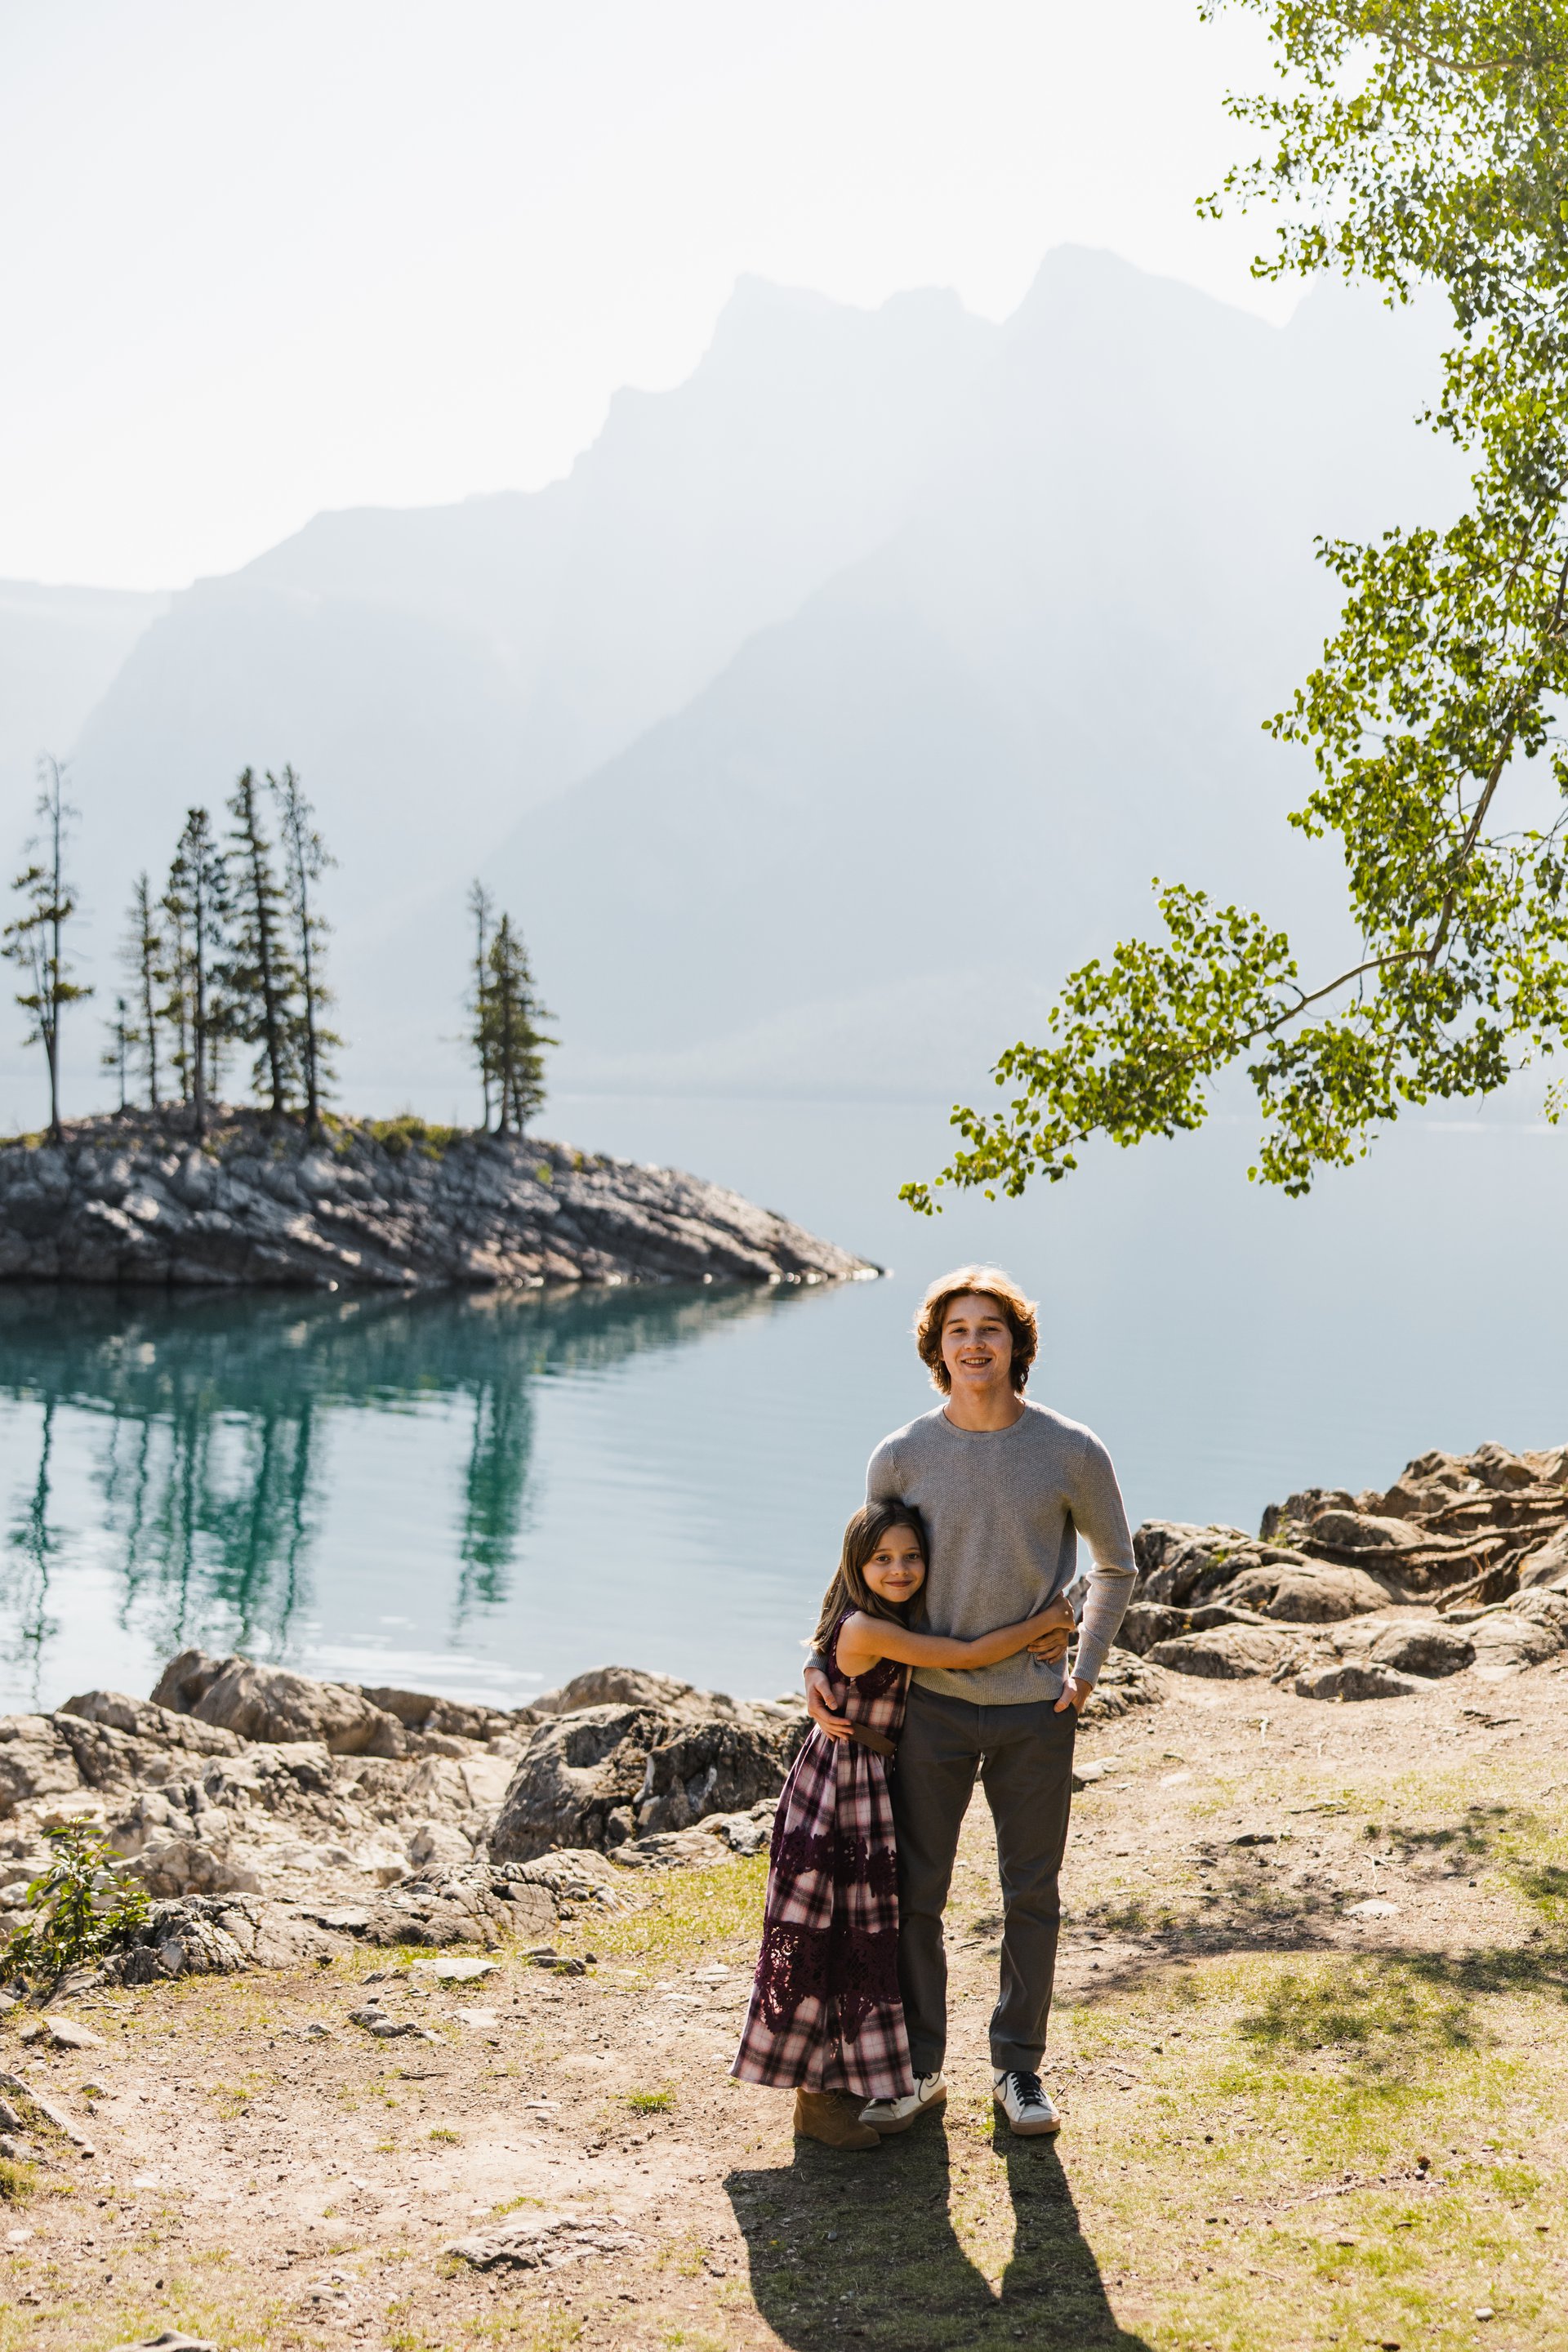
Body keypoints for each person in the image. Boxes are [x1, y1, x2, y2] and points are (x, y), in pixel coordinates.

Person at [804, 1267, 1135, 2141]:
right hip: (930, 1710)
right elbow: (863, 1569)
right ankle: (915, 2069)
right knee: (916, 1895)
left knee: (1033, 1893)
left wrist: (1086, 1668)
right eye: (958, 1330)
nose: (975, 1342)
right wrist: (819, 1652)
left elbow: (1115, 1566)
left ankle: (1018, 2069)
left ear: (1017, 1345)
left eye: (991, 1328)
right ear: (936, 1347)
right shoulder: (901, 1455)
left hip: (1036, 1710)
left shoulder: (1069, 1450)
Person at [732, 1499, 1075, 2151]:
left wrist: (811, 1666)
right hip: (840, 1790)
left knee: (860, 1930)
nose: (900, 1569)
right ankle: (818, 2098)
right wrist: (1049, 1618)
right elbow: (968, 1654)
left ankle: (854, 2080)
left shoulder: (881, 1615)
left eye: (912, 1557)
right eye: (883, 1559)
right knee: (828, 1932)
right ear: (857, 1566)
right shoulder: (867, 1628)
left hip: (868, 1780)